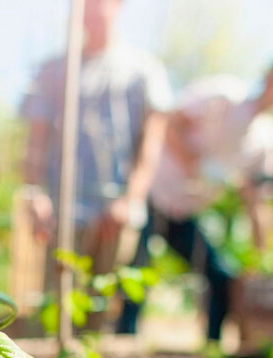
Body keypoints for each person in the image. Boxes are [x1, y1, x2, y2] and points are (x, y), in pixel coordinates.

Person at [117, 57, 273, 346]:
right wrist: (198, 163)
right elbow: (169, 124)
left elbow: (258, 203)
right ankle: (124, 341)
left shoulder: (267, 142)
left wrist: (264, 259)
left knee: (220, 276)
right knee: (137, 270)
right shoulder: (222, 96)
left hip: (185, 212)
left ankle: (211, 346)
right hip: (154, 194)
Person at [20, 0, 172, 321]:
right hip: (61, 210)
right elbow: (35, 140)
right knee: (57, 307)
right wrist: (35, 192)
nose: (90, 9)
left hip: (114, 210)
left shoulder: (142, 70)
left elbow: (151, 145)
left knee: (101, 308)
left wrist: (129, 199)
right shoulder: (54, 71)